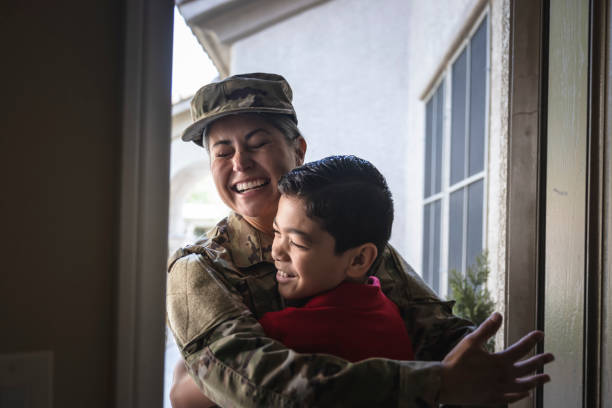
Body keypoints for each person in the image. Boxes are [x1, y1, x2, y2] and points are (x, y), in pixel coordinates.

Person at [167, 73, 554, 407]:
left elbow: (435, 333)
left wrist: (479, 366)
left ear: (298, 150)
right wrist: (432, 384)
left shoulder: (351, 239)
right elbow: (254, 384)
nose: (240, 163)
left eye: (257, 143)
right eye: (222, 152)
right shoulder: (199, 270)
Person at [260, 155, 415, 362]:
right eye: (276, 232)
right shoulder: (388, 309)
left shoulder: (287, 332)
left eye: (297, 243)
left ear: (359, 260)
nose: (276, 251)